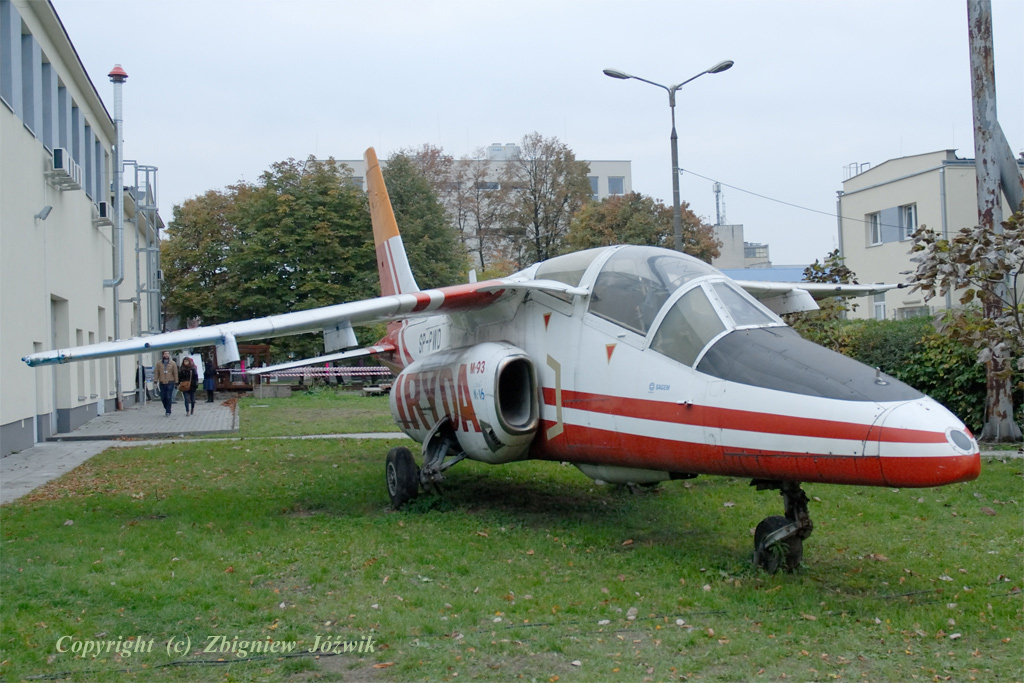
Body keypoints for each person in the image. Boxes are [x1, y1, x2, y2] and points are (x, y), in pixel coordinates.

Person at [153, 351, 179, 416]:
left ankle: (168, 411)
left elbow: (175, 373)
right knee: (163, 397)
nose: (166, 355)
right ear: (163, 355)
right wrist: (155, 381)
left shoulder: (173, 363)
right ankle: (166, 407)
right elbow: (156, 372)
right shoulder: (159, 363)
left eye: (167, 354)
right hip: (162, 382)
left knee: (168, 396)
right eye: (165, 354)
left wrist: (176, 382)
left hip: (170, 382)